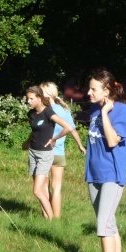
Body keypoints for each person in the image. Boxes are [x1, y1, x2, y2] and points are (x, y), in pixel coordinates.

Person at [84, 70, 126, 252]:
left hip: (112, 174)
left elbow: (112, 141)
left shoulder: (121, 110)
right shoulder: (94, 110)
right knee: (108, 222)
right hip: (94, 174)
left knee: (103, 225)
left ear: (106, 90)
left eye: (93, 89)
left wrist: (105, 113)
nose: (88, 93)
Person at [23, 85, 77, 220]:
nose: (28, 101)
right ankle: (47, 218)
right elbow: (35, 130)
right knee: (41, 189)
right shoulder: (31, 114)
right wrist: (28, 141)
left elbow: (68, 127)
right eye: (27, 99)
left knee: (37, 191)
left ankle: (52, 220)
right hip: (33, 152)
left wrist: (54, 139)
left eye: (31, 99)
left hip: (45, 154)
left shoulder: (48, 112)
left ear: (39, 98)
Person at [40, 81, 86, 218]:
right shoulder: (64, 110)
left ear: (48, 94)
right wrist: (80, 145)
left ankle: (47, 217)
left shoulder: (43, 110)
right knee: (57, 187)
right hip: (59, 153)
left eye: (41, 93)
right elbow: (72, 129)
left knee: (43, 187)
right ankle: (56, 218)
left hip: (44, 152)